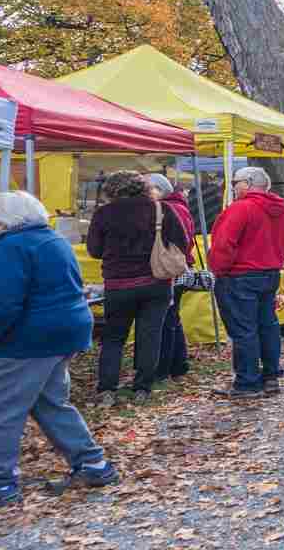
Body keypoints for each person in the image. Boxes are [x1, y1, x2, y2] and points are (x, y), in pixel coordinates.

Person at [0, 192, 119, 511]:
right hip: (62, 332)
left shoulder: (10, 249)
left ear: (5, 221)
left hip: (25, 339)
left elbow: (1, 306)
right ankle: (93, 464)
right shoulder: (51, 240)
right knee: (50, 402)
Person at [87, 171, 188, 407]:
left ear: (111, 190)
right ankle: (143, 387)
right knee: (149, 336)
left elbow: (95, 250)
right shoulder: (161, 210)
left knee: (113, 338)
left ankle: (107, 389)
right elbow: (181, 243)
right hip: (156, 283)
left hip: (118, 284)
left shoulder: (103, 214)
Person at [210, 167, 284, 399]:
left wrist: (219, 269)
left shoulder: (241, 209)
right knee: (267, 325)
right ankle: (270, 376)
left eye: (236, 182)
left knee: (244, 330)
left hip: (239, 276)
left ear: (247, 183)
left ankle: (247, 382)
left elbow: (223, 244)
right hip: (269, 274)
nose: (234, 186)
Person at [148, 174, 194, 383]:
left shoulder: (169, 209)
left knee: (166, 320)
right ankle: (178, 364)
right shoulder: (180, 206)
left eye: (149, 189)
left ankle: (163, 368)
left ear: (158, 190)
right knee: (172, 318)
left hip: (169, 269)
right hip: (179, 268)